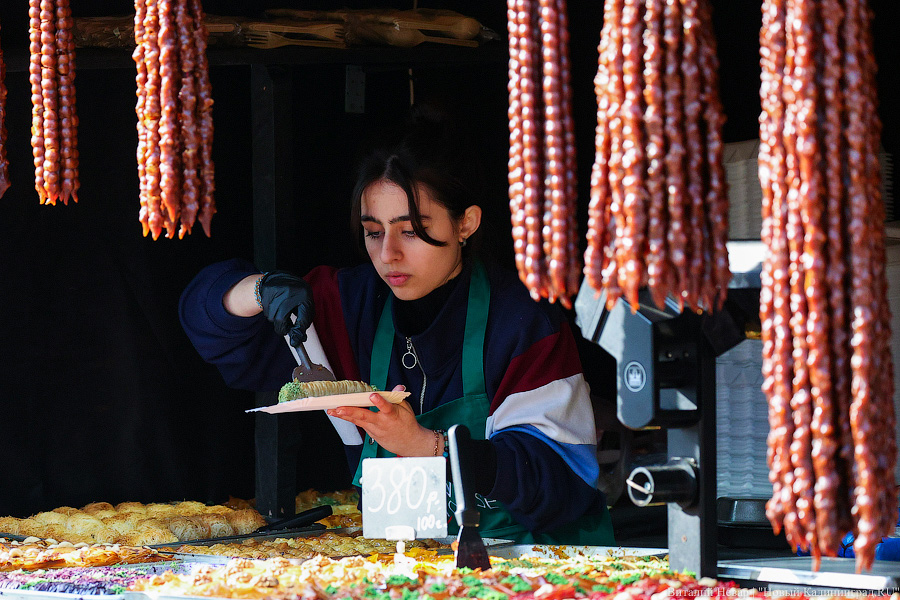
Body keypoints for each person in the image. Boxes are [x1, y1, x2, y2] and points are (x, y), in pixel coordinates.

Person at [179, 104, 614, 544]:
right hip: (402, 562)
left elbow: (563, 480)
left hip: (534, 563)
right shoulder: (347, 305)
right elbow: (205, 323)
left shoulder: (522, 321)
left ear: (466, 223)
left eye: (410, 230)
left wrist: (427, 445)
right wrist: (259, 290)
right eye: (373, 231)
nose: (388, 253)